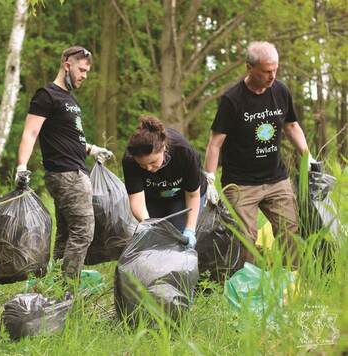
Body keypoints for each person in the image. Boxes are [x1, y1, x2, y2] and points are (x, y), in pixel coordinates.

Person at [204, 41, 313, 265]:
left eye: (275, 70)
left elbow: (291, 126)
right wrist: (210, 179)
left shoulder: (281, 91)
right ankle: (247, 286)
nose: (272, 76)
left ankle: (291, 281)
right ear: (249, 68)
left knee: (290, 231)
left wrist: (307, 156)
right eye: (266, 71)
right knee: (244, 239)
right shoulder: (232, 99)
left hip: (276, 178)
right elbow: (215, 143)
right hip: (241, 183)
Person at [15, 46, 113, 280]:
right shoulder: (46, 95)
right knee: (83, 233)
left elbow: (71, 138)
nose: (84, 76)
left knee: (66, 233)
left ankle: (54, 285)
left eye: (87, 72)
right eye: (81, 70)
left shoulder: (69, 99)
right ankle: (68, 289)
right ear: (67, 65)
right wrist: (21, 165)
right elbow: (31, 132)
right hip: (67, 175)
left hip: (76, 170)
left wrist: (92, 149)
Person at [122, 115, 207, 248]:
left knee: (178, 238)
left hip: (184, 196)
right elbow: (136, 200)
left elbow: (192, 195)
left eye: (152, 162)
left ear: (163, 148)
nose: (149, 169)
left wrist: (190, 230)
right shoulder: (130, 160)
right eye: (142, 165)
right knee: (155, 240)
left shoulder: (183, 151)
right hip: (153, 197)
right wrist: (149, 225)